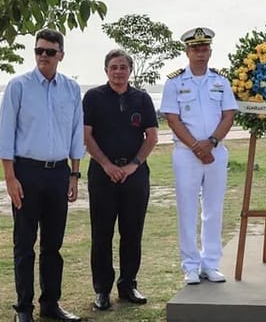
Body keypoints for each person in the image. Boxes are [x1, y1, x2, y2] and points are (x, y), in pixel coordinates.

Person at [0, 29, 84, 322]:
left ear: (61, 55)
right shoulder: (18, 87)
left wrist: (74, 174)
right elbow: (5, 134)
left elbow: (76, 132)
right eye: (39, 51)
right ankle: (23, 309)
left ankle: (51, 303)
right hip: (26, 172)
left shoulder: (71, 89)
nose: (43, 56)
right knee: (24, 244)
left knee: (53, 245)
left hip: (58, 173)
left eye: (50, 51)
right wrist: (10, 177)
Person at [83, 49, 158, 311]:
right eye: (113, 67)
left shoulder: (142, 98)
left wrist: (133, 166)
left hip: (134, 175)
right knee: (102, 233)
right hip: (102, 174)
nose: (118, 72)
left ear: (130, 70)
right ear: (106, 70)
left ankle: (128, 285)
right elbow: (86, 136)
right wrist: (106, 164)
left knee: (132, 232)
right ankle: (102, 290)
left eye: (123, 67)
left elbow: (152, 137)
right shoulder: (93, 97)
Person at [161, 27, 237, 285]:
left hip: (216, 152)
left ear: (210, 51)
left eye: (204, 48)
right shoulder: (175, 82)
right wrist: (196, 147)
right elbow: (173, 119)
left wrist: (211, 142)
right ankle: (191, 265)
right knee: (187, 210)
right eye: (195, 49)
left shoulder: (221, 81)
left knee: (214, 209)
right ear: (187, 51)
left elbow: (229, 115)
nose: (200, 53)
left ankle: (211, 263)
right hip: (186, 154)